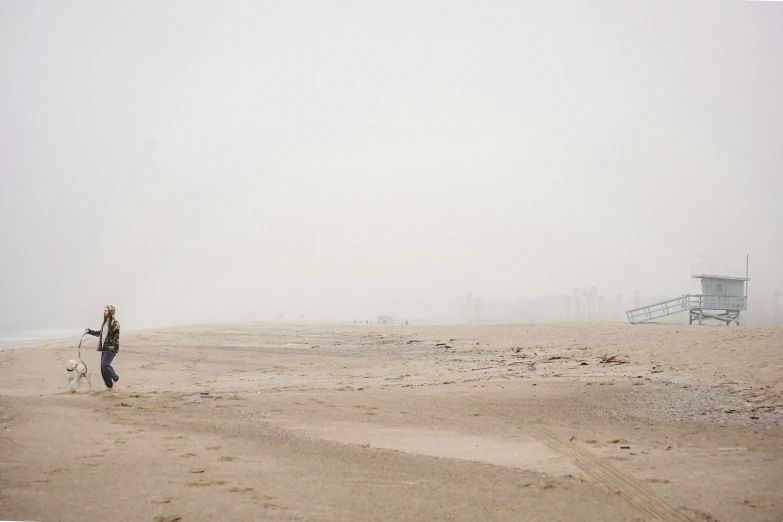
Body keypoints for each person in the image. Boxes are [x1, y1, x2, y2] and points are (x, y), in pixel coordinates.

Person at [85, 305, 121, 390]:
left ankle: (116, 378)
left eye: (106, 310)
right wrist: (90, 331)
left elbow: (116, 335)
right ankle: (109, 386)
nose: (104, 312)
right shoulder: (105, 322)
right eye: (104, 310)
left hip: (111, 347)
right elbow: (100, 333)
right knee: (102, 368)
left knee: (105, 365)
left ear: (110, 312)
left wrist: (112, 344)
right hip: (104, 348)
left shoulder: (115, 323)